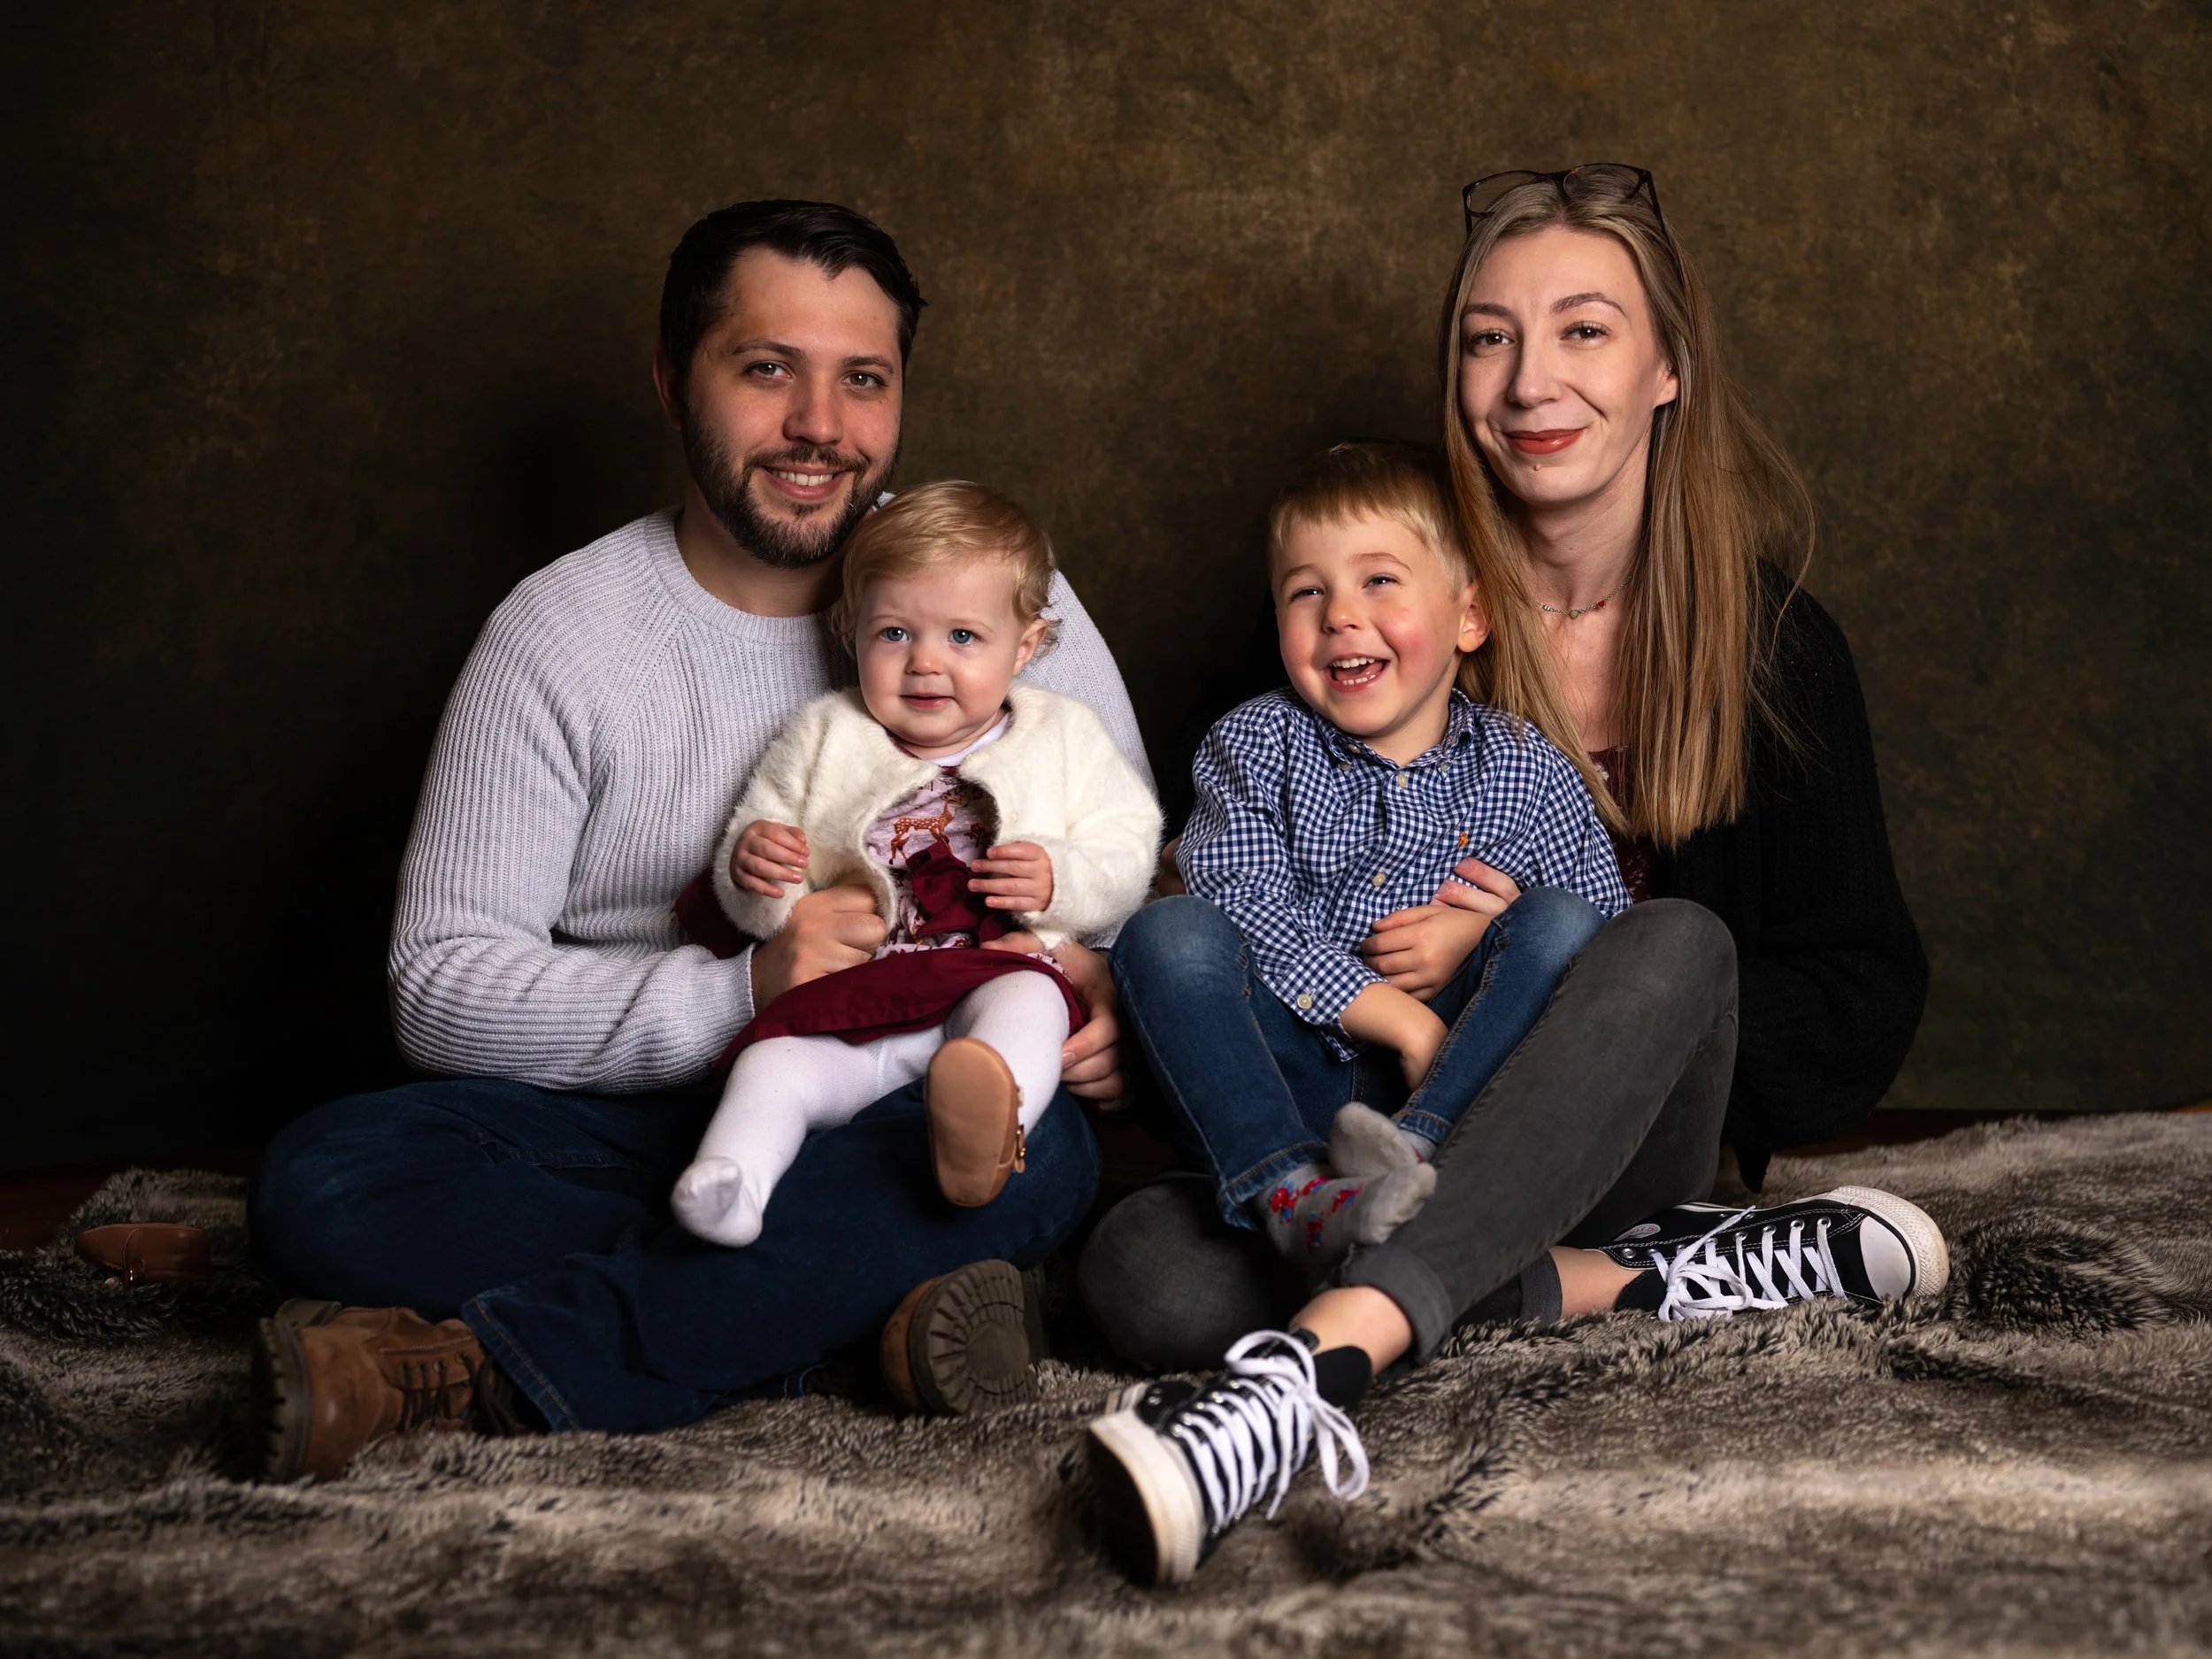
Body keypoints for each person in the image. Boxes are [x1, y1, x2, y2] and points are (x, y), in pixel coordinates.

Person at [1078, 164, 1939, 1585]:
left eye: (1585, 329)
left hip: (1609, 1146)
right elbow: (1231, 896)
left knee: (1668, 942)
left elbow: (1859, 999)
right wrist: (1131, 995)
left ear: (1670, 365)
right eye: (1490, 335)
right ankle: (1639, 1284)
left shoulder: (1779, 650)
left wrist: (1556, 986)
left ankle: (1312, 1366)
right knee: (1139, 1271)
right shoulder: (1367, 608)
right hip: (1367, 1139)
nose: (1532, 377)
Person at [246, 200, 1155, 1483]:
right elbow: (439, 983)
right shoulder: (559, 634)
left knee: (1034, 1152)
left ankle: (492, 1366)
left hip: (908, 1097)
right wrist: (744, 991)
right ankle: (845, 1312)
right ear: (674, 380)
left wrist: (1103, 984)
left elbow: (1121, 868)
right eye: (768, 367)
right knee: (320, 1181)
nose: (820, 428)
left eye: (865, 381)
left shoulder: (995, 586)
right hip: (648, 1120)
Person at [1118, 441, 1632, 1282]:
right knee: (1169, 933)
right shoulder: (1254, 742)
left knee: (1564, 922)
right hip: (1293, 1085)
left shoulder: (1528, 768)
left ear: (1471, 616)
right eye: (1306, 590)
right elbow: (1237, 898)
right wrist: (1396, 1016)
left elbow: (1611, 959)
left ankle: (1416, 1161)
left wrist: (1485, 936)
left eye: (1379, 581)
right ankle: (1292, 1195)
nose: (1340, 615)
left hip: (1461, 1098)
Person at [675, 481, 1158, 1246]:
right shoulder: (825, 733)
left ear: (1025, 647)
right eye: (895, 633)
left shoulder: (1064, 735)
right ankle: (731, 1180)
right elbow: (765, 840)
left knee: (1027, 1013)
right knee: (773, 1067)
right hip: (864, 991)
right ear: (851, 629)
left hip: (989, 973)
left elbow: (1130, 843)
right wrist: (758, 874)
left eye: (963, 637)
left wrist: (1061, 876)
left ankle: (983, 1133)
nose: (925, 663)